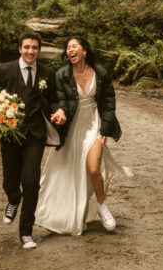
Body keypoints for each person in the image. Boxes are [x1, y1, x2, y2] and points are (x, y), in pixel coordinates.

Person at [35, 35, 125, 236]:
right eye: (67, 48)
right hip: (72, 127)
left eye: (74, 46)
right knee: (68, 172)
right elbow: (59, 100)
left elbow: (108, 102)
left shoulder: (100, 73)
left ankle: (102, 207)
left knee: (93, 168)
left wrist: (105, 130)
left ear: (84, 50)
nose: (70, 50)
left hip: (94, 124)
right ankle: (66, 212)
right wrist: (60, 113)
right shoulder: (62, 75)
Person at [0, 31, 65, 249]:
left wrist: (59, 111)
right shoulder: (4, 69)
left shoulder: (47, 73)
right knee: (10, 181)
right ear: (20, 49)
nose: (31, 51)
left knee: (30, 181)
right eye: (27, 47)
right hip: (10, 134)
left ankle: (26, 232)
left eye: (35, 48)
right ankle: (13, 199)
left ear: (38, 50)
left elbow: (53, 100)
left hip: (35, 135)